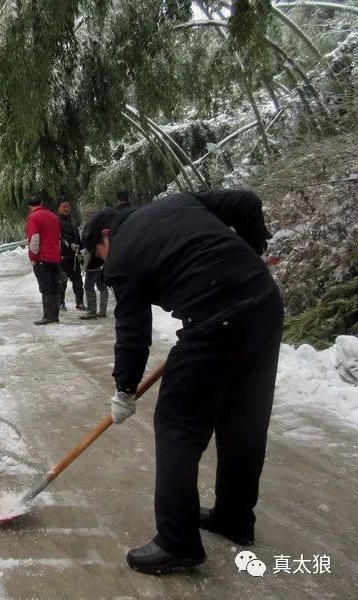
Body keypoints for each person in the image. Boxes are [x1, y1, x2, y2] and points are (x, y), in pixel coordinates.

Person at [83, 190, 282, 574]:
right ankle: (234, 517)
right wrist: (250, 254)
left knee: (176, 426)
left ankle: (177, 541)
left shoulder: (123, 256)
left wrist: (124, 389)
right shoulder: (179, 202)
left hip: (214, 322)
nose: (103, 263)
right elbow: (247, 202)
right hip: (263, 303)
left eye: (98, 253)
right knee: (243, 420)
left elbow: (133, 332)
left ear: (107, 234)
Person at [25, 196, 62, 325]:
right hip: (55, 257)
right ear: (41, 202)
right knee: (55, 285)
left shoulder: (33, 217)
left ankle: (48, 316)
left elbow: (34, 239)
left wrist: (33, 257)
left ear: (29, 206)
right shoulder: (53, 216)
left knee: (46, 287)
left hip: (42, 258)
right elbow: (58, 238)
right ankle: (55, 315)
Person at [56, 200, 87, 312]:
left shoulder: (73, 221)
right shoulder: (56, 221)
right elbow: (58, 238)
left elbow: (77, 237)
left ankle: (80, 303)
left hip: (74, 257)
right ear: (59, 208)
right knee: (62, 281)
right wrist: (68, 246)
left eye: (68, 206)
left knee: (78, 281)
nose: (67, 209)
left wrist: (81, 249)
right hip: (62, 257)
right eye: (64, 206)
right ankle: (60, 302)